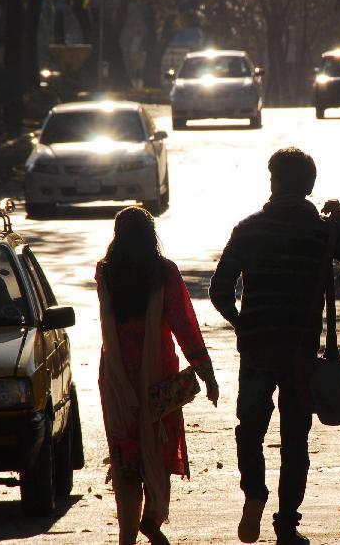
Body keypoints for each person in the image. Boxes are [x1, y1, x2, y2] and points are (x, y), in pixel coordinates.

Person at [209, 147, 340, 545]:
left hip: (257, 348)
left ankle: (254, 493)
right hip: (301, 353)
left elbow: (219, 289)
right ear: (310, 186)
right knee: (295, 440)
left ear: (274, 182)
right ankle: (286, 524)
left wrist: (243, 325)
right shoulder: (324, 231)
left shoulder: (248, 228)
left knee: (249, 429)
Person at [96, 206, 219, 545]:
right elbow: (185, 327)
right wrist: (207, 374)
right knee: (158, 449)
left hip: (117, 380)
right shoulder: (163, 273)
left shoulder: (105, 273)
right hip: (158, 379)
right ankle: (151, 518)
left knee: (126, 455)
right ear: (150, 236)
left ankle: (127, 537)